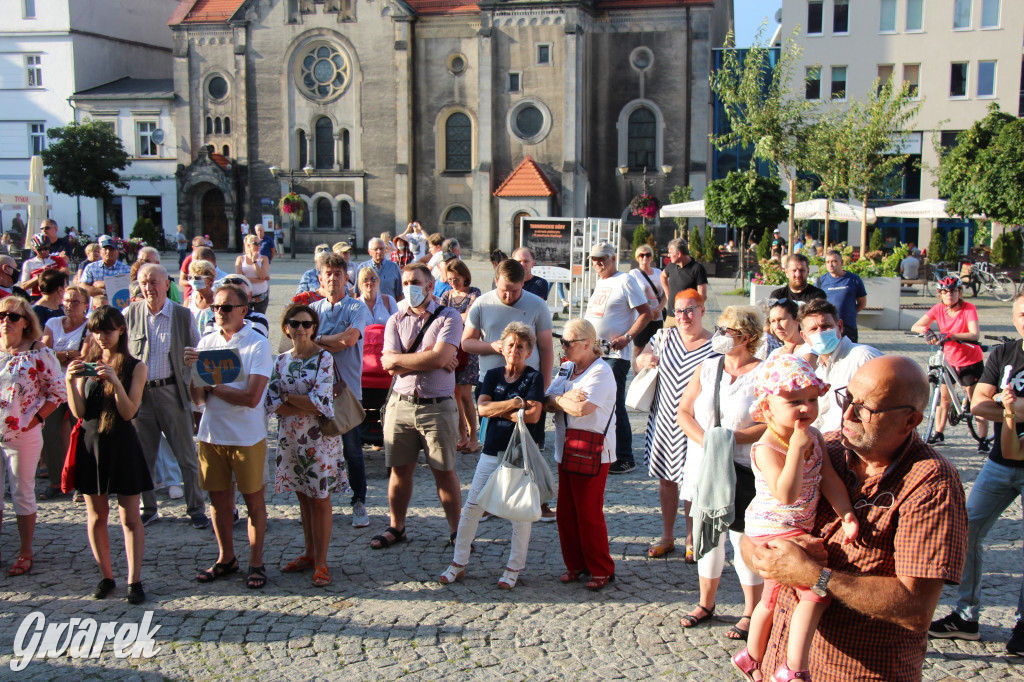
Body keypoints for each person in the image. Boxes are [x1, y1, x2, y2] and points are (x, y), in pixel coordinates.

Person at [745, 356, 968, 682]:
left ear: (910, 421)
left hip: (853, 672)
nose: (847, 414)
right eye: (846, 398)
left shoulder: (931, 483)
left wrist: (814, 575)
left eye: (866, 409)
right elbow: (756, 531)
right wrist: (769, 555)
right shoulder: (827, 447)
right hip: (776, 659)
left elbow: (917, 609)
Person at [732, 354, 859, 682]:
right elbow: (785, 493)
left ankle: (750, 656)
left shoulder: (814, 436)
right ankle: (794, 668)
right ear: (768, 407)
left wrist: (847, 514)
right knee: (818, 591)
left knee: (770, 597)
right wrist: (794, 452)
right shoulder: (766, 447)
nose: (806, 408)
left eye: (812, 400)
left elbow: (828, 477)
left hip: (794, 527)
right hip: (772, 528)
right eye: (794, 401)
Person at [930, 293, 1024, 655]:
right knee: (966, 531)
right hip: (1000, 463)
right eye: (1019, 313)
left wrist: (1013, 407)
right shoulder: (1004, 354)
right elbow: (978, 403)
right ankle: (966, 617)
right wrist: (1009, 411)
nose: (1023, 318)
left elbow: (993, 403)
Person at [677, 305, 766, 640]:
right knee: (708, 536)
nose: (718, 335)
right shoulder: (708, 366)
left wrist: (729, 441)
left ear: (744, 337)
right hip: (706, 465)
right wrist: (709, 442)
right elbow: (684, 411)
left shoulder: (763, 373)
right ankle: (706, 603)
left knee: (742, 538)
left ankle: (750, 611)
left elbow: (770, 422)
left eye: (724, 330)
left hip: (744, 467)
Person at [440, 322, 545, 589]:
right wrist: (516, 403)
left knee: (519, 513)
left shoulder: (534, 377)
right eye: (510, 345)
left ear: (529, 351)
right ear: (503, 348)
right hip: (490, 451)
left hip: (518, 453)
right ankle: (458, 562)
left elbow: (533, 415)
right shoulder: (494, 374)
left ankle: (513, 567)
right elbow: (482, 409)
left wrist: (504, 408)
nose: (514, 350)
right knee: (473, 506)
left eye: (521, 346)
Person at [186, 283, 272, 589]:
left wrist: (213, 386)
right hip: (212, 433)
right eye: (215, 308)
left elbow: (251, 397)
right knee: (219, 502)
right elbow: (198, 397)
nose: (219, 313)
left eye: (225, 308)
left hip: (247, 436)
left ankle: (256, 561)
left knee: (253, 502)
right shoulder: (206, 341)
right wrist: (194, 373)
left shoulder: (257, 344)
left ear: (243, 311)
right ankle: (226, 557)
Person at [65, 306, 151, 603]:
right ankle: (106, 576)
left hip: (122, 443)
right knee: (96, 516)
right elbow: (79, 412)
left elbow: (129, 412)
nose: (102, 337)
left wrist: (115, 382)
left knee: (130, 517)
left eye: (108, 330)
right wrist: (69, 380)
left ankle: (134, 580)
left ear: (121, 330)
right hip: (92, 444)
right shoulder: (87, 362)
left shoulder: (135, 366)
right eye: (97, 331)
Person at [375, 263, 463, 549]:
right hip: (400, 405)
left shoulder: (448, 316)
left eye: (415, 281)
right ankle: (396, 527)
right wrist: (428, 356)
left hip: (437, 406)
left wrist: (407, 360)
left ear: (429, 285)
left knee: (443, 470)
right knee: (399, 471)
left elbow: (439, 359)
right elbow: (387, 364)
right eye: (405, 281)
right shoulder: (395, 320)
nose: (409, 286)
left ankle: (456, 531)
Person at [267, 304, 347, 587]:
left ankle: (322, 562)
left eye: (305, 323)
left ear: (314, 328)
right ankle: (309, 553)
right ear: (285, 326)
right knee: (302, 496)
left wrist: (289, 399)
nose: (299, 328)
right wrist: (298, 401)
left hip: (318, 440)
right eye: (294, 323)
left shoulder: (324, 357)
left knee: (319, 497)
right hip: (290, 438)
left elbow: (321, 403)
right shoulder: (280, 360)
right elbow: (272, 403)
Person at [126, 264, 209, 529]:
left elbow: (199, 352)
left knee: (186, 455)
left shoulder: (183, 315)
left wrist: (199, 395)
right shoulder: (130, 313)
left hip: (173, 390)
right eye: (144, 282)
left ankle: (196, 507)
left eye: (153, 282)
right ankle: (149, 508)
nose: (149, 287)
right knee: (143, 456)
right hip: (140, 395)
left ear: (166, 284)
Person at [636, 289, 716, 563]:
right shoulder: (663, 337)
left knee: (692, 482)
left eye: (690, 310)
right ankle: (667, 537)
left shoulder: (717, 344)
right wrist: (643, 360)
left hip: (696, 422)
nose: (684, 316)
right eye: (679, 311)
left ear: (703, 311)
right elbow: (639, 362)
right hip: (664, 419)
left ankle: (692, 539)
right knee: (666, 480)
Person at [545, 318, 618, 590]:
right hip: (566, 448)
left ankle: (601, 568)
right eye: (561, 341)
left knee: (588, 513)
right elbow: (547, 400)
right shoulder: (566, 368)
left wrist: (559, 401)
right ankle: (575, 564)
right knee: (566, 513)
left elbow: (583, 409)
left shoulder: (601, 372)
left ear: (588, 344)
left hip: (593, 450)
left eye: (568, 342)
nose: (563, 346)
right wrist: (565, 399)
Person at [0, 297, 65, 577]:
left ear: (26, 321)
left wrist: (35, 419)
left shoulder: (38, 352)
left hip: (22, 434)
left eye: (13, 316)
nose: (5, 320)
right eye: (1, 315)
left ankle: (25, 551)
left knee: (22, 493)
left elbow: (58, 393)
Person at [310, 254, 372, 529]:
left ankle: (359, 501)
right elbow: (297, 346)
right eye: (328, 273)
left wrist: (317, 340)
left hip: (347, 391)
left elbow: (350, 339)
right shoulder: (311, 311)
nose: (333, 278)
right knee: (315, 449)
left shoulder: (356, 308)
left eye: (338, 273)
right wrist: (331, 342)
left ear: (346, 277)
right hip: (314, 392)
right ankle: (318, 502)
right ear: (320, 278)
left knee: (352, 451)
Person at [584, 242, 653, 474]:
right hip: (595, 353)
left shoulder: (625, 280)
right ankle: (605, 451)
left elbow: (647, 312)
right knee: (598, 403)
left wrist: (627, 337)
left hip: (616, 354)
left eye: (602, 258)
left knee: (613, 404)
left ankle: (624, 457)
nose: (597, 263)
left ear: (613, 258)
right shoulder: (601, 282)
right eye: (593, 259)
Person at [910, 275, 989, 447]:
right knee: (943, 399)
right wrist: (927, 331)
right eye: (945, 292)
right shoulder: (938, 309)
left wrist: (950, 335)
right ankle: (938, 433)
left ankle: (982, 439)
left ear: (960, 292)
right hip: (949, 359)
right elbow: (915, 326)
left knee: (977, 401)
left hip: (970, 359)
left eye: (953, 291)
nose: (949, 295)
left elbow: (974, 334)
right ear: (940, 294)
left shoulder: (969, 309)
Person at [800, 299, 883, 434]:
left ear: (840, 326)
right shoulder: (819, 370)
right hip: (828, 440)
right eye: (813, 329)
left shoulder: (863, 357)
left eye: (826, 326)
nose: (820, 333)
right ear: (804, 336)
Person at [39, 284, 90, 500]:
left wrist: (57, 354)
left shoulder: (89, 327)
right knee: (49, 432)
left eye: (75, 302)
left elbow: (84, 358)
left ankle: (80, 482)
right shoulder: (52, 323)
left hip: (77, 385)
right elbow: (42, 353)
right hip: (52, 387)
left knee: (78, 433)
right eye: (67, 301)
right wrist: (68, 353)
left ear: (85, 306)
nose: (69, 305)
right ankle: (55, 480)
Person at [440, 259, 482, 453]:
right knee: (454, 395)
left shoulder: (474, 293)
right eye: (449, 279)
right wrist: (458, 318)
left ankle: (474, 436)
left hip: (467, 348)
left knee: (466, 395)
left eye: (456, 279)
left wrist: (452, 318)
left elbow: (471, 316)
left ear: (464, 276)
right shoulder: (446, 295)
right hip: (450, 348)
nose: (453, 283)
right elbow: (440, 319)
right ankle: (462, 436)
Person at [816, 250, 867, 344]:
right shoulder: (821, 281)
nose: (830, 264)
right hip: (828, 326)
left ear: (841, 262)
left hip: (848, 326)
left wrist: (850, 313)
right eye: (828, 262)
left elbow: (862, 303)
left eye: (834, 261)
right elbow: (817, 303)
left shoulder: (854, 279)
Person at [630, 244, 667, 368]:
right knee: (638, 349)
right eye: (641, 255)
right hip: (641, 317)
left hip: (657, 316)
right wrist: (648, 310)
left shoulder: (658, 272)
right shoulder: (633, 274)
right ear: (637, 258)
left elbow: (666, 293)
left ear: (652, 257)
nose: (645, 257)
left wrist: (659, 309)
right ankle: (637, 377)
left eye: (648, 255)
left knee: (655, 349)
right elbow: (632, 295)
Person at [201, 274, 270, 339]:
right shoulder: (214, 319)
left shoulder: (258, 318)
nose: (220, 311)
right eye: (226, 295)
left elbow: (253, 341)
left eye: (239, 294)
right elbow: (206, 345)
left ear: (249, 296)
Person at [660, 239, 708, 328]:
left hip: (686, 318)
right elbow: (662, 276)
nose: (668, 255)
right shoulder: (671, 265)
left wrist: (693, 313)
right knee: (667, 341)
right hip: (671, 316)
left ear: (678, 254)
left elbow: (702, 296)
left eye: (670, 252)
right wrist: (668, 294)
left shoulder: (697, 268)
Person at [358, 238, 404, 303]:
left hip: (389, 308)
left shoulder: (394, 267)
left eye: (381, 249)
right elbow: (357, 293)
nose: (379, 252)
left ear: (385, 250)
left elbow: (399, 294)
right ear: (369, 252)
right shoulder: (362, 268)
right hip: (367, 309)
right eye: (376, 249)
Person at [236, 234, 271, 314]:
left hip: (261, 296)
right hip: (245, 295)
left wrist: (255, 262)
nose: (258, 246)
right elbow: (240, 279)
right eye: (255, 244)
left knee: (259, 319)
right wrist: (259, 280)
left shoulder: (264, 258)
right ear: (248, 245)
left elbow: (262, 276)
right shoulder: (240, 259)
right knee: (245, 319)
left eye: (259, 244)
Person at [186, 259, 217, 335]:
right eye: (190, 278)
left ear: (210, 280)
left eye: (197, 278)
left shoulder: (218, 301)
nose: (193, 281)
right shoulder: (190, 300)